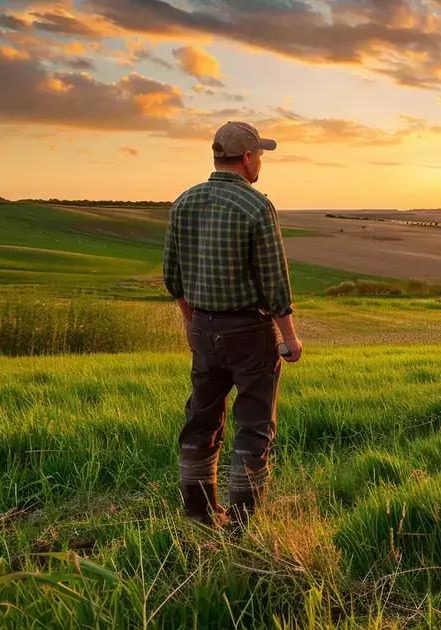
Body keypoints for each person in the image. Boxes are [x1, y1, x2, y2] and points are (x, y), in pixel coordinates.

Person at [162, 121, 302, 529]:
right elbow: (274, 281)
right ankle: (244, 523)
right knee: (255, 422)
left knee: (202, 417)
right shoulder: (257, 206)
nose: (260, 162)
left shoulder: (183, 202)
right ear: (246, 158)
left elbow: (174, 277)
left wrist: (192, 324)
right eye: (259, 155)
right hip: (250, 332)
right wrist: (289, 337)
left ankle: (200, 514)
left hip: (204, 328)